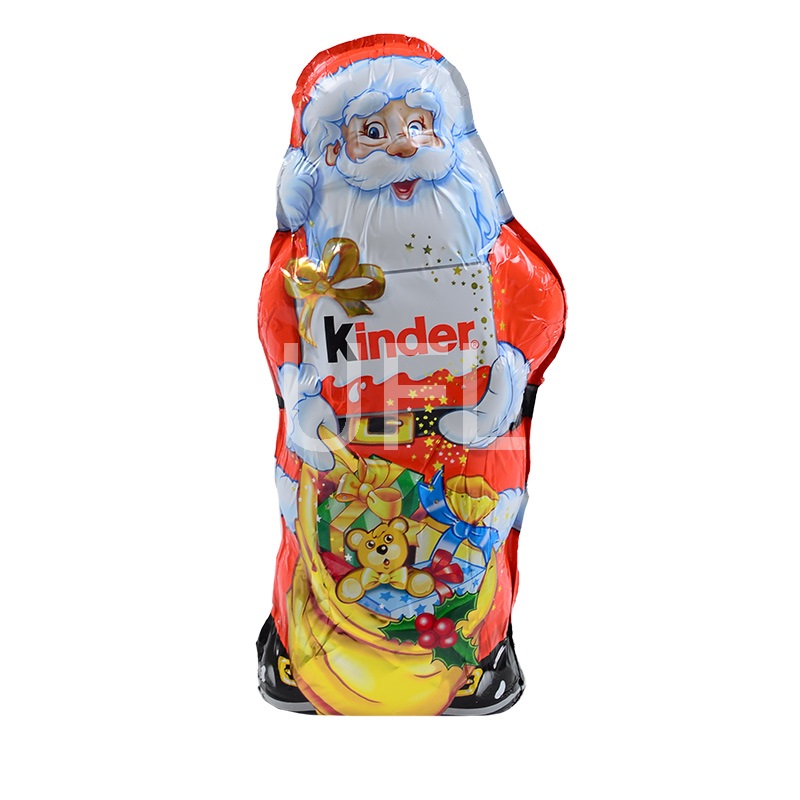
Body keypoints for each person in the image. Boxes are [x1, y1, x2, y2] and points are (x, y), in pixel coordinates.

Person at [257, 34, 566, 715]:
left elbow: (538, 302)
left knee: (466, 557)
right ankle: (300, 651)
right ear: (330, 152)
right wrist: (298, 391)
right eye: (374, 131)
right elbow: (279, 318)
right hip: (346, 457)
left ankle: (478, 657)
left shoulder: (486, 246)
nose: (402, 146)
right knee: (325, 550)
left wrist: (508, 376)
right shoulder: (313, 258)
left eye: (418, 126)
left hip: (462, 454)